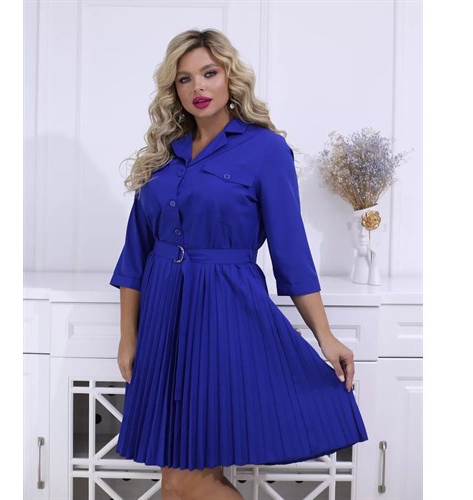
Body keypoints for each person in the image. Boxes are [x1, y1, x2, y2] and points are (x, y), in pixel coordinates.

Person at [110, 28, 368, 500]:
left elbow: (291, 253)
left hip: (224, 314)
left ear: (231, 77)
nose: (198, 87)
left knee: (187, 478)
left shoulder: (265, 150)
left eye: (209, 73)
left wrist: (324, 335)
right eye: (185, 79)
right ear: (173, 89)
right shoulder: (163, 155)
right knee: (175, 481)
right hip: (163, 317)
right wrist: (129, 337)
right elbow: (135, 255)